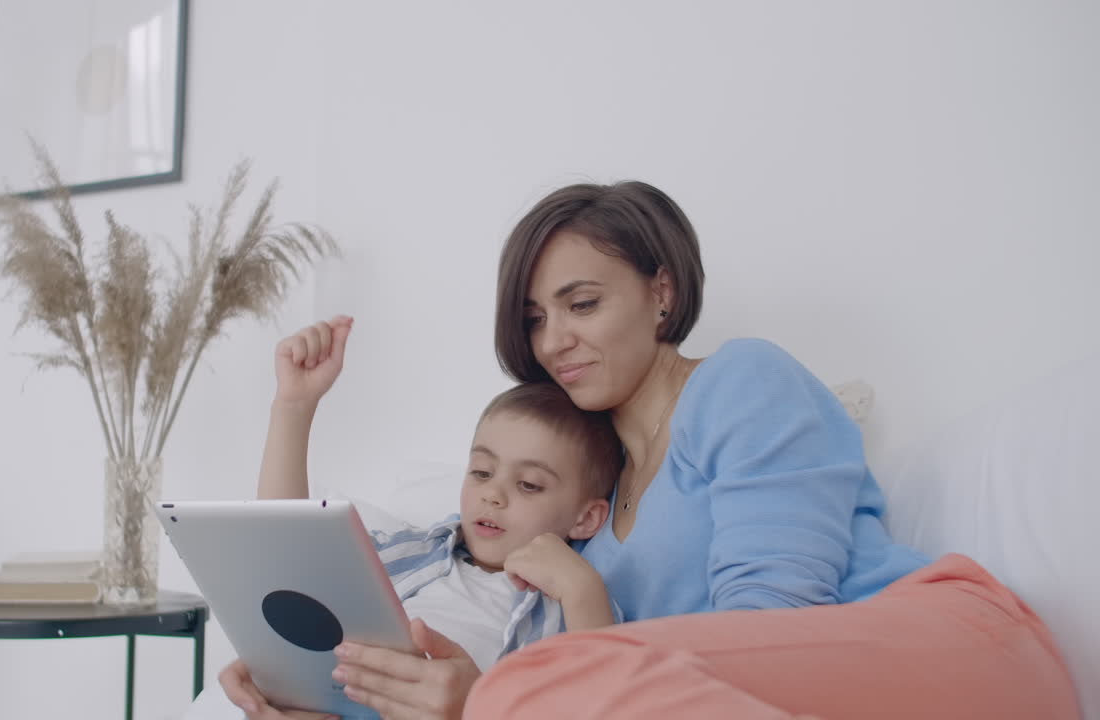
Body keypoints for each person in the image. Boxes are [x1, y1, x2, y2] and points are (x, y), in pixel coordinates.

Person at [321, 182, 1081, 720]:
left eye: (582, 304)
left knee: (534, 687)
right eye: (534, 318)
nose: (553, 341)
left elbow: (773, 622)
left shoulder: (740, 380)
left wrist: (498, 698)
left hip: (948, 653)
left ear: (662, 292)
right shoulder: (583, 506)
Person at [217, 315, 626, 719]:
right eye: (481, 472)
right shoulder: (413, 551)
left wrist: (581, 589)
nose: (493, 494)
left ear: (586, 518)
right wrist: (293, 407)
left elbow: (606, 699)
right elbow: (287, 562)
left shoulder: (574, 606)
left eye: (529, 485)